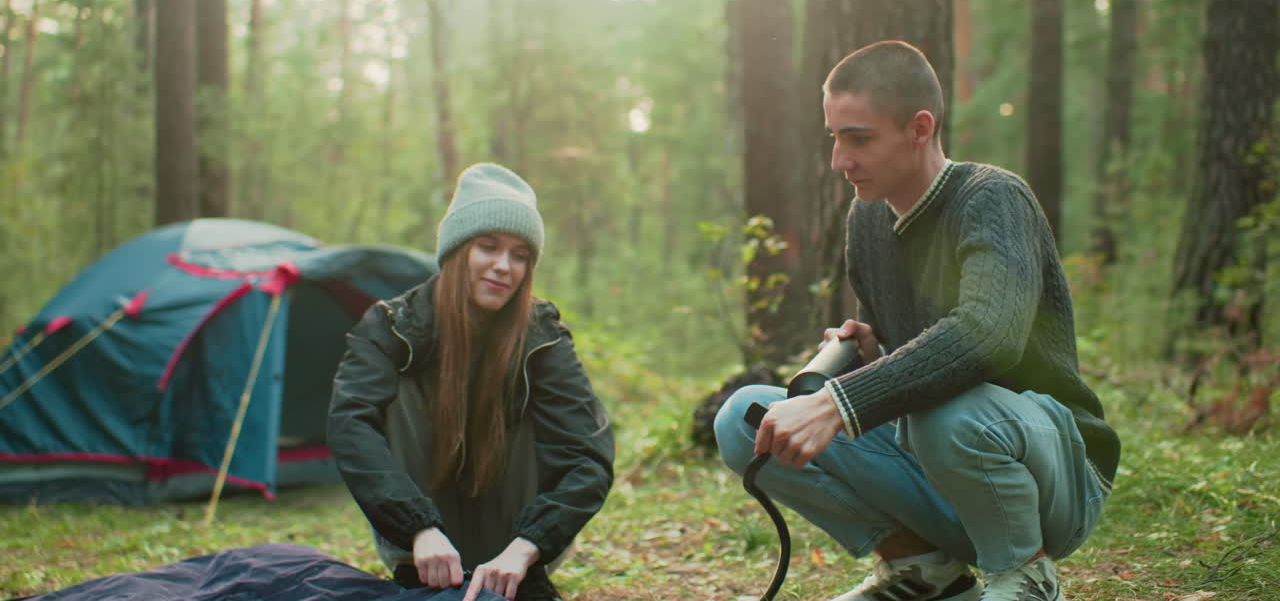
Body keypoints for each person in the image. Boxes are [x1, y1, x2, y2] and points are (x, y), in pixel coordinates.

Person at [714, 41, 1120, 601]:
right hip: (944, 463)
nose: (839, 160)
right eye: (834, 137)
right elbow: (912, 365)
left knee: (945, 413)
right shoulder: (868, 219)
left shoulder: (993, 197)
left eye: (859, 138)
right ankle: (925, 572)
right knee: (745, 417)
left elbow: (988, 336)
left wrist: (840, 403)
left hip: (1057, 479)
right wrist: (871, 353)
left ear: (919, 127)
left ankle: (1025, 574)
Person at [328, 162, 615, 601]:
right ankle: (420, 568)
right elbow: (350, 426)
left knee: (549, 410)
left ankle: (522, 575)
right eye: (488, 246)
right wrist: (417, 529)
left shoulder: (542, 335)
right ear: (457, 250)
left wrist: (526, 549)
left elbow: (588, 458)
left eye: (519, 255)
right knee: (390, 395)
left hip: (519, 547)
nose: (504, 266)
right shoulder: (391, 325)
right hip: (421, 545)